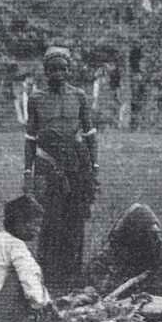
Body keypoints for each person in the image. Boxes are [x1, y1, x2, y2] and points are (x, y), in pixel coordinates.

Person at [23, 46, 98, 288]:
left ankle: (72, 272)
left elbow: (89, 134)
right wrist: (28, 172)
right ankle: (48, 273)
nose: (58, 74)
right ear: (46, 71)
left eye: (63, 69)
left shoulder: (79, 96)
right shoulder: (36, 99)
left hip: (77, 166)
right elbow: (31, 139)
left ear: (68, 71)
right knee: (50, 220)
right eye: (53, 69)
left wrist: (93, 167)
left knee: (75, 220)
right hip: (48, 166)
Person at [85, 203, 162, 296]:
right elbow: (102, 286)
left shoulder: (155, 252)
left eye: (154, 235)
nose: (154, 239)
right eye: (148, 234)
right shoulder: (108, 257)